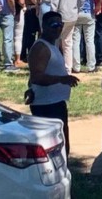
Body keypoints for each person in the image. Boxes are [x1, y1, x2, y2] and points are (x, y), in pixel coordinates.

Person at [28, 11, 80, 157]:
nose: (58, 28)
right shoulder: (41, 48)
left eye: (60, 25)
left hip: (55, 102)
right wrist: (62, 79)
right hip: (47, 106)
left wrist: (30, 89)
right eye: (53, 25)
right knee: (53, 147)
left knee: (62, 144)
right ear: (43, 26)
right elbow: (37, 77)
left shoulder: (52, 45)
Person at [49, 0, 85, 73]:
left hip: (60, 15)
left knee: (54, 41)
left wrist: (51, 16)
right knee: (67, 42)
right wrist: (78, 8)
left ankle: (54, 67)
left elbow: (54, 1)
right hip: (72, 14)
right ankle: (67, 68)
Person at [73, 0, 102, 73]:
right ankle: (91, 66)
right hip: (88, 12)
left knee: (75, 40)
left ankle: (76, 66)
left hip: (75, 12)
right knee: (89, 40)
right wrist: (99, 4)